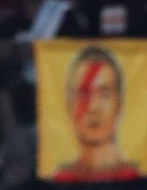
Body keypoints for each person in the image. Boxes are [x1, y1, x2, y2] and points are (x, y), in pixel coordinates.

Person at [51, 46, 139, 182]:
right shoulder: (60, 179)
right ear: (69, 105)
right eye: (84, 94)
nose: (93, 107)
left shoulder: (138, 178)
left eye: (104, 94)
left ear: (119, 104)